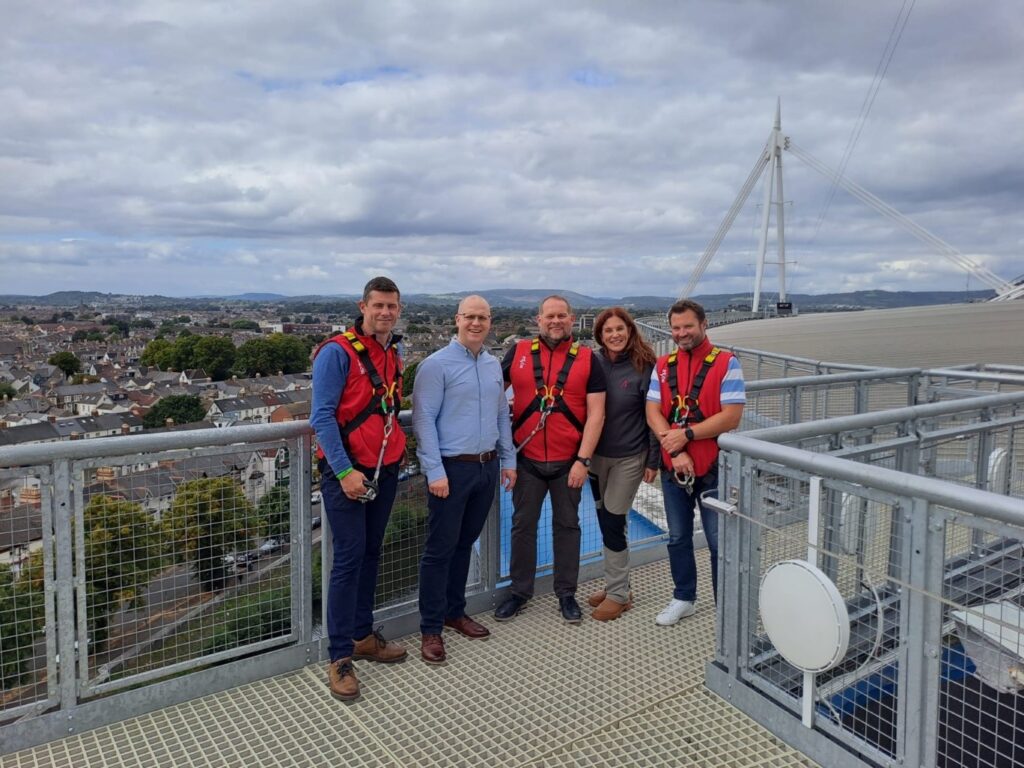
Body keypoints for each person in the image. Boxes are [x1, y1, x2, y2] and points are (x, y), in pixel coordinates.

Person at [310, 276, 408, 702]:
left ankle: (363, 635)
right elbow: (323, 417)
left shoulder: (393, 352)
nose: (385, 312)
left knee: (371, 552)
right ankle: (338, 656)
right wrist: (345, 471)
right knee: (348, 559)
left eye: (392, 306)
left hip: (384, 469)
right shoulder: (336, 353)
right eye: (378, 305)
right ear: (362, 306)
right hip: (348, 473)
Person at [412, 296, 517, 664]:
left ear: (491, 322)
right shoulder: (435, 365)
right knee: (439, 550)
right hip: (452, 470)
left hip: (486, 467)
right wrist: (435, 471)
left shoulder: (492, 365)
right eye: (469, 317)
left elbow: (503, 414)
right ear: (457, 319)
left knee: (464, 544)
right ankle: (430, 629)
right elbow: (423, 420)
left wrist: (509, 460)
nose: (476, 323)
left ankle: (454, 612)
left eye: (482, 317)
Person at [494, 295, 606, 624]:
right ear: (538, 320)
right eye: (549, 316)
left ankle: (566, 593)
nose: (555, 321)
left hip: (568, 460)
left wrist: (582, 461)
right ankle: (519, 591)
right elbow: (491, 396)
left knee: (567, 526)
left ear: (572, 319)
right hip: (526, 459)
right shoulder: (518, 353)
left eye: (561, 316)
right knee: (522, 526)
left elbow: (597, 414)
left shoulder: (589, 359)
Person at [646, 299, 745, 626]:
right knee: (677, 537)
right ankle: (683, 597)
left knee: (719, 542)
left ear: (704, 325)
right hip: (674, 467)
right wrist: (674, 449)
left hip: (715, 467)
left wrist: (686, 435)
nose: (681, 333)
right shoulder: (663, 365)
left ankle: (725, 608)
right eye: (675, 328)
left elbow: (731, 417)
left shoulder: (726, 363)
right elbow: (653, 411)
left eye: (688, 326)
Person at [584, 308, 660, 621]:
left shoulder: (645, 366)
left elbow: (655, 415)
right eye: (607, 330)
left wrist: (653, 459)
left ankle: (618, 595)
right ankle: (618, 584)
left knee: (614, 520)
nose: (614, 335)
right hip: (596, 457)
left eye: (620, 329)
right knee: (606, 521)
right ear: (599, 335)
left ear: (629, 330)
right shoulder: (593, 363)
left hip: (629, 457)